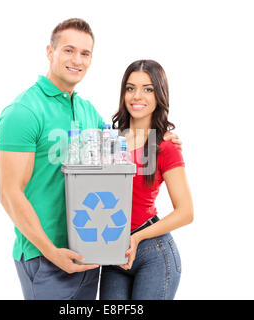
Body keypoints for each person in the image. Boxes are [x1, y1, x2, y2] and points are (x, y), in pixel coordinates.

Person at [0, 19, 182, 300]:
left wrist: (162, 136)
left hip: (90, 253)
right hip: (45, 257)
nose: (77, 60)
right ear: (50, 51)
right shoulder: (23, 111)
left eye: (85, 53)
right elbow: (9, 193)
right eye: (69, 50)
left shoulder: (86, 112)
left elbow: (121, 144)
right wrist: (51, 252)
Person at [99, 60, 194, 300]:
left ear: (159, 95)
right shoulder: (108, 140)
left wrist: (137, 237)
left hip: (154, 251)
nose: (137, 96)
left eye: (148, 89)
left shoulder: (165, 146)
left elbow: (186, 212)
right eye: (130, 88)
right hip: (114, 254)